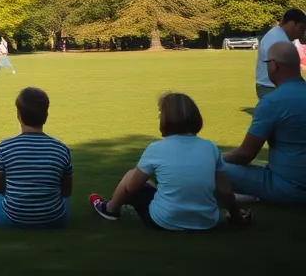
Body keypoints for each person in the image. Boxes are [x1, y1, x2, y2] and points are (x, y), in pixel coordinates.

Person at [90, 92, 250, 229]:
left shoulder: (156, 149)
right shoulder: (210, 147)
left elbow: (132, 188)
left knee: (131, 176)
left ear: (165, 119)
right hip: (207, 221)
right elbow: (225, 190)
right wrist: (236, 216)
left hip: (164, 220)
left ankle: (110, 208)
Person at [0, 87, 73, 229]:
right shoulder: (61, 149)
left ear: (18, 115)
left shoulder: (5, 147)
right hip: (55, 219)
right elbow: (66, 190)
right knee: (64, 199)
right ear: (46, 115)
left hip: (12, 219)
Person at [223, 41, 306, 204]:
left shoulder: (273, 102)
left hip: (289, 188)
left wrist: (212, 158)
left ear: (274, 66)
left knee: (210, 168)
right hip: (291, 178)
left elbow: (245, 154)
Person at [255, 9, 306, 100]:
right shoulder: (278, 39)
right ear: (291, 24)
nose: (302, 34)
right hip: (272, 87)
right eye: (301, 28)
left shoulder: (277, 35)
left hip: (272, 87)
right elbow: (278, 69)